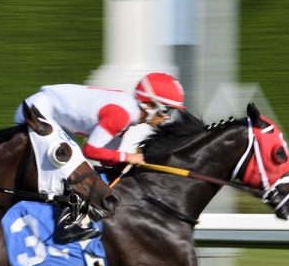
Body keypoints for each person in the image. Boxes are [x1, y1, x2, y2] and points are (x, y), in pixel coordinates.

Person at [14, 72, 186, 243]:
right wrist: (128, 156)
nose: (167, 117)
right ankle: (66, 227)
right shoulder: (122, 115)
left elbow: (107, 158)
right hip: (38, 111)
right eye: (166, 110)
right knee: (71, 167)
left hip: (54, 118)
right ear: (149, 104)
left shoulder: (128, 115)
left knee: (80, 168)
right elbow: (91, 150)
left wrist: (132, 163)